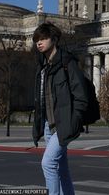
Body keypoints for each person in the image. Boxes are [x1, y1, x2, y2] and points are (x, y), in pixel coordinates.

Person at [32, 22, 88, 195]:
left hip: (64, 125)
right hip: (49, 126)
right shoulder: (42, 67)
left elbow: (81, 97)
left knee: (48, 163)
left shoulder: (67, 63)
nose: (39, 43)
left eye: (43, 38)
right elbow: (40, 100)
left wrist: (73, 122)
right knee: (61, 169)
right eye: (36, 40)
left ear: (54, 39)